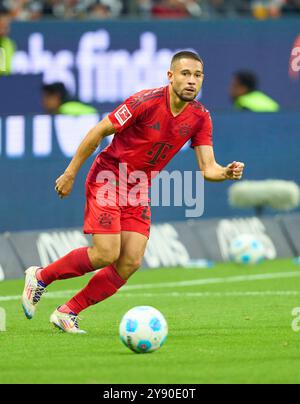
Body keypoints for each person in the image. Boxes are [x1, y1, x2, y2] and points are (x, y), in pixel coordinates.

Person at [22, 51, 245, 334]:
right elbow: (98, 131)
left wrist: (225, 172)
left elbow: (208, 168)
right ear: (170, 76)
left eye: (197, 76)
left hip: (138, 188)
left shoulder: (200, 117)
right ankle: (40, 277)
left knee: (130, 261)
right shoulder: (145, 101)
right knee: (106, 253)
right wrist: (70, 173)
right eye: (185, 74)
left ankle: (68, 312)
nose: (191, 81)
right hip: (108, 177)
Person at [0, 6, 15, 75]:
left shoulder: (9, 43)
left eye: (7, 27)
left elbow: (5, 71)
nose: (6, 30)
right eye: (2, 26)